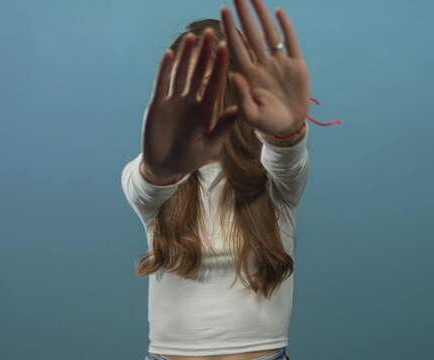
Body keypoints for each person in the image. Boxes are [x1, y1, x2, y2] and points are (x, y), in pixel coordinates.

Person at [121, 0, 311, 359]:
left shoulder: (275, 175)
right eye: (189, 88)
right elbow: (146, 184)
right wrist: (160, 170)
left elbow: (289, 159)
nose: (202, 103)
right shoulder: (150, 176)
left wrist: (288, 131)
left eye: (215, 86)